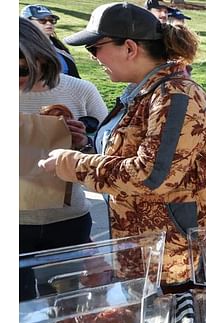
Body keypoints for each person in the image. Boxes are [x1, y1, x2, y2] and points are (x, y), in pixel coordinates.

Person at [39, 2, 206, 285]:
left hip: (179, 254)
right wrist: (86, 145)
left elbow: (153, 175)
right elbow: (131, 153)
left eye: (95, 47)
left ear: (130, 48)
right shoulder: (144, 92)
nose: (93, 57)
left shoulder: (175, 95)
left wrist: (73, 165)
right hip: (151, 248)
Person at [19, 17, 107, 253]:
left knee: (71, 290)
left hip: (69, 220)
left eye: (22, 69)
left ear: (43, 57)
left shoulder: (79, 90)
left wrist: (84, 142)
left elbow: (110, 153)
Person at [21, 4, 80, 78]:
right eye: (42, 20)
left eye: (52, 20)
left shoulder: (59, 47)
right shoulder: (21, 48)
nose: (49, 23)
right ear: (26, 22)